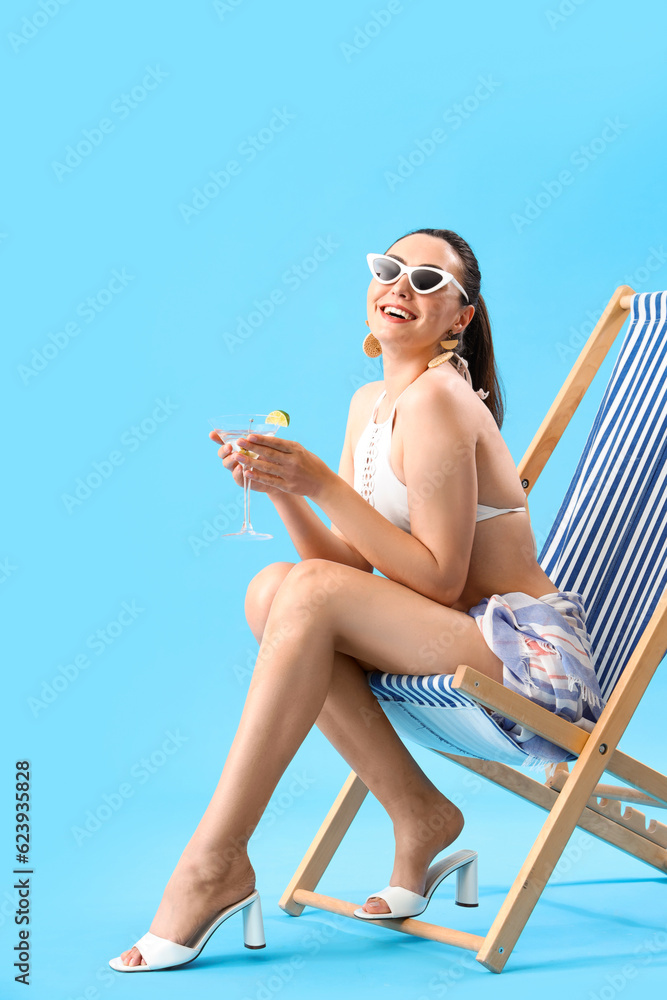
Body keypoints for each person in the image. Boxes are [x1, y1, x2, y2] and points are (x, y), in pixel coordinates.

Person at [109, 227, 603, 971]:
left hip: (523, 658)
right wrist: (284, 493)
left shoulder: (440, 401)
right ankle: (419, 815)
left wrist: (322, 484)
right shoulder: (368, 401)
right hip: (448, 631)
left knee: (298, 592)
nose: (401, 286)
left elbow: (434, 577)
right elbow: (342, 565)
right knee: (271, 589)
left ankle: (213, 862)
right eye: (389, 269)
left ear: (459, 318)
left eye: (428, 281)